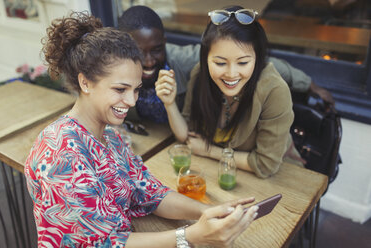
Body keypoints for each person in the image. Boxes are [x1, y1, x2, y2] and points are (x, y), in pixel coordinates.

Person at [24, 12, 259, 247]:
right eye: (120, 89)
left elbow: (150, 192)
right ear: (85, 82)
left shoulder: (110, 138)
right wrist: (190, 236)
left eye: (135, 89)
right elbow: (104, 243)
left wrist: (209, 211)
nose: (132, 101)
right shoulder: (60, 154)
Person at [156, 6, 304, 179]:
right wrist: (169, 103)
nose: (231, 74)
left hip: (281, 179)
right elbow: (188, 137)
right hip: (225, 175)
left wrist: (210, 151)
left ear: (257, 58)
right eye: (220, 63)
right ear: (205, 58)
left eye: (242, 63)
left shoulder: (274, 91)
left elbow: (266, 165)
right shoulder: (200, 74)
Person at [117, 5, 335, 123]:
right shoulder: (114, 68)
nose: (148, 61)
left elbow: (261, 63)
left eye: (156, 50)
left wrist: (309, 85)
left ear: (164, 43)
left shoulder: (183, 61)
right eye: (138, 52)